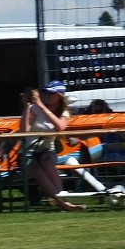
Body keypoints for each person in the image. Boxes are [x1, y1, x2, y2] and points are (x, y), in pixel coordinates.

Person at [21, 80, 85, 211]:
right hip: (28, 151)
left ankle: (61, 200)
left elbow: (60, 126)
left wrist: (42, 106)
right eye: (45, 93)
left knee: (47, 160)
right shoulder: (34, 108)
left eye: (51, 93)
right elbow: (24, 131)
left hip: (46, 150)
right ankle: (63, 203)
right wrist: (27, 106)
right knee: (34, 165)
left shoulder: (64, 111)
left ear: (59, 95)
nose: (47, 96)